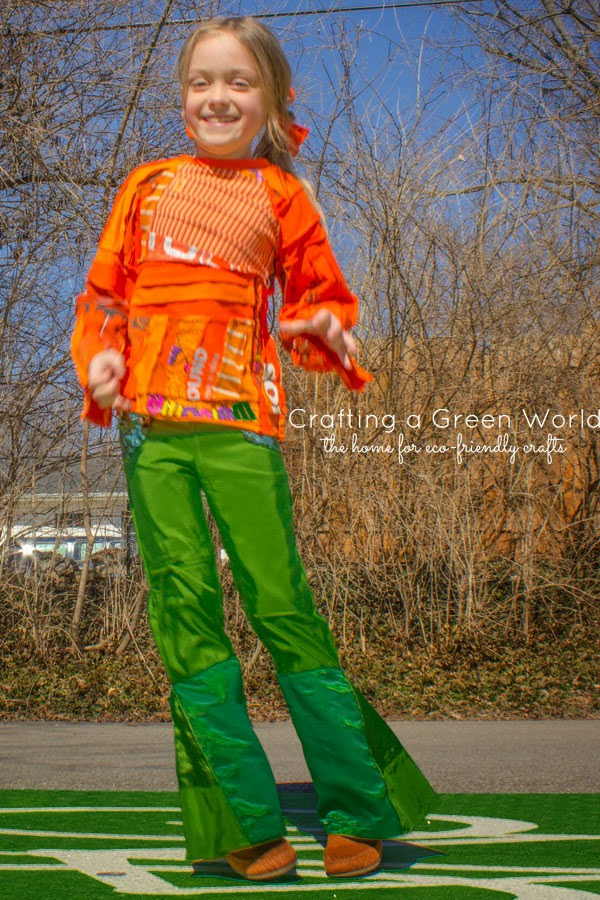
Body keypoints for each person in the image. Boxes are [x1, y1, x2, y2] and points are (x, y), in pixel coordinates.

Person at [71, 15, 435, 883]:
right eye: (201, 81)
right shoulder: (146, 184)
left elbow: (322, 298)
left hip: (242, 427)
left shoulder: (282, 196)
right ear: (182, 97)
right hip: (151, 435)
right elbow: (103, 298)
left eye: (237, 81)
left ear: (269, 98)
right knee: (185, 616)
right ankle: (243, 817)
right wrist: (102, 359)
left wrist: (324, 328)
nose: (217, 97)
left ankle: (357, 809)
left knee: (282, 606)